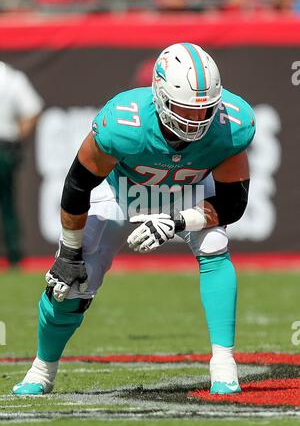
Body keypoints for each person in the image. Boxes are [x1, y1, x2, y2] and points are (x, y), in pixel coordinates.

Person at [13, 43, 255, 396]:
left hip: (188, 188)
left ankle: (224, 362)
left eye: (204, 111)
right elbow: (78, 184)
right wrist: (68, 253)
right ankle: (42, 369)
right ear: (159, 96)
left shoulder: (232, 124)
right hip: (121, 187)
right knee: (73, 279)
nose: (196, 120)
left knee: (215, 241)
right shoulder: (125, 122)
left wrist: (176, 222)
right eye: (185, 109)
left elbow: (233, 203)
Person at [0, 62, 44, 267]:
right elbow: (33, 109)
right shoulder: (11, 77)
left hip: (5, 145)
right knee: (7, 203)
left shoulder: (12, 77)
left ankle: (15, 253)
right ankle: (14, 254)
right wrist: (18, 138)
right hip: (5, 145)